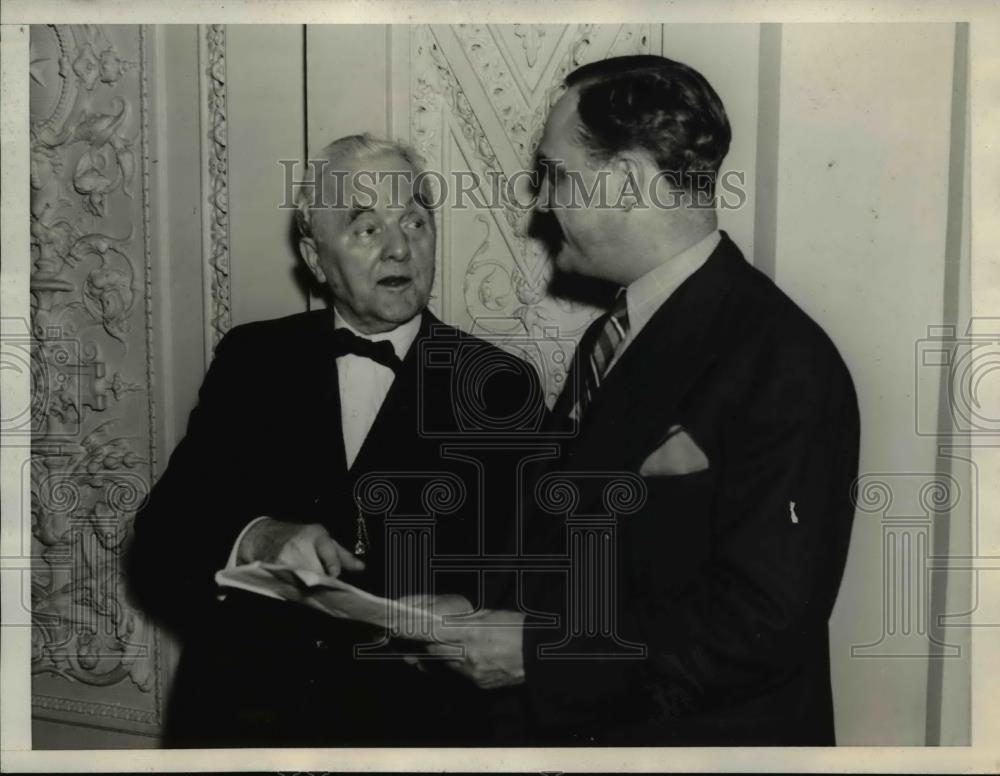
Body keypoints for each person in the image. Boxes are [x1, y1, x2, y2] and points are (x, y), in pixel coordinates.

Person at [416, 55, 861, 746]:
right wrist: (483, 616)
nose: (541, 204)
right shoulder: (614, 333)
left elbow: (759, 625)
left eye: (556, 176)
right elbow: (583, 545)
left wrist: (538, 652)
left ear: (623, 183)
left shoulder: (784, 359)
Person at [126, 134, 545, 747]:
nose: (400, 246)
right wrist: (256, 535)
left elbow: (528, 575)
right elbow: (164, 539)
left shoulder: (502, 386)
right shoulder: (252, 359)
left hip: (409, 731)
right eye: (366, 228)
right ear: (316, 258)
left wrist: (466, 608)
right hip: (247, 724)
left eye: (414, 221)